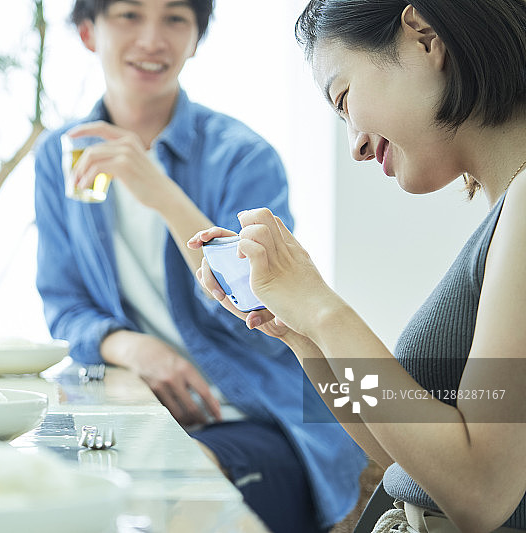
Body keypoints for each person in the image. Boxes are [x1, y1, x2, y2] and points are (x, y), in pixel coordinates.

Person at [189, 0, 526, 531]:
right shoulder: (506, 210)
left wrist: (322, 309)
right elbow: (407, 460)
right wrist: (302, 333)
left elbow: (481, 492)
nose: (357, 147)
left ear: (424, 36)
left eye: (345, 99)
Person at [34, 1, 367, 531]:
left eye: (175, 19)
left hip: (252, 413)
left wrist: (163, 195)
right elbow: (65, 303)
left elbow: (266, 316)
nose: (152, 39)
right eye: (128, 15)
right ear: (88, 33)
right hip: (134, 410)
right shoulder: (62, 155)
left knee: (173, 507)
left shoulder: (243, 157)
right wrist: (135, 347)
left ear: (195, 39)